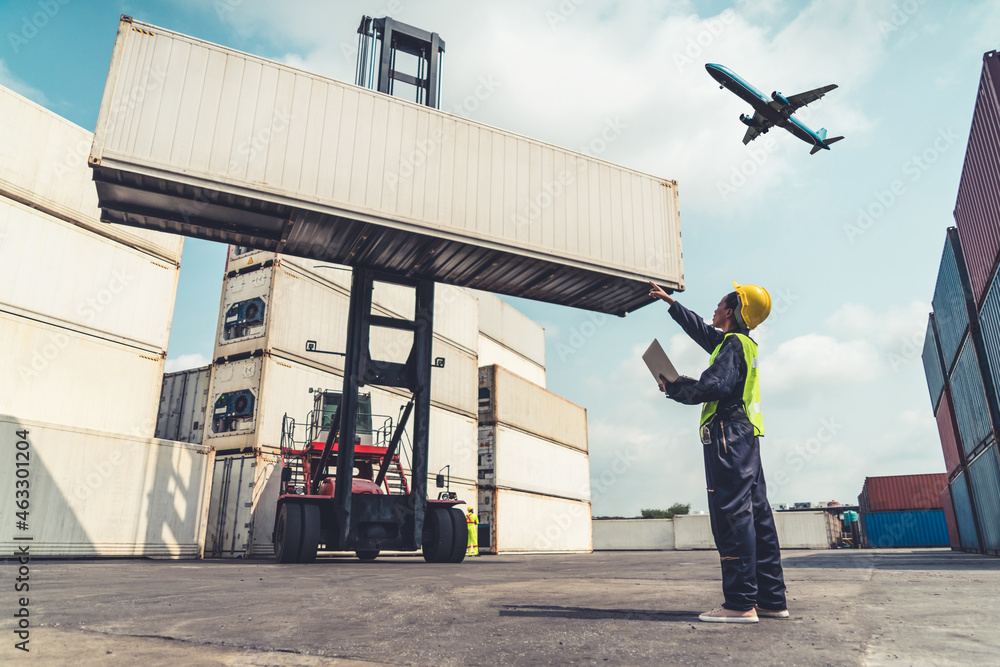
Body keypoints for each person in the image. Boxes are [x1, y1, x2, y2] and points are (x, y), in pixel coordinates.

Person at [648, 280, 788, 624]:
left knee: (732, 516)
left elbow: (713, 386)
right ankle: (771, 599)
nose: (714, 307)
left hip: (728, 435)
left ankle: (740, 604)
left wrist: (675, 387)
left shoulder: (732, 346)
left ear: (731, 310)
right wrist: (671, 303)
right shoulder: (741, 343)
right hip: (746, 437)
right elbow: (703, 332)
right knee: (757, 516)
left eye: (719, 303)